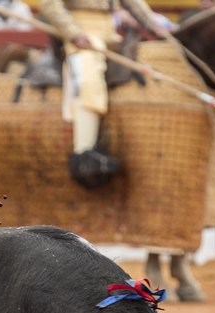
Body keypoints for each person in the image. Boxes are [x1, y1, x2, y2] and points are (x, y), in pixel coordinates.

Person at [39, 0, 173, 188]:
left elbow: (133, 2)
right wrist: (74, 33)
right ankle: (84, 152)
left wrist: (154, 25)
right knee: (88, 78)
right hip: (83, 31)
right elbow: (49, 4)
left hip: (111, 32)